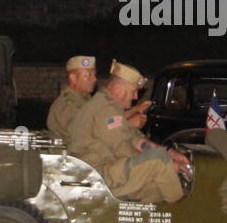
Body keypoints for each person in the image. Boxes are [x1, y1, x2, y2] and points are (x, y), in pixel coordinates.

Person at [67, 60, 190, 204]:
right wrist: (169, 162)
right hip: (100, 177)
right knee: (160, 161)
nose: (136, 97)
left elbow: (135, 140)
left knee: (155, 188)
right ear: (119, 88)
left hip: (106, 173)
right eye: (134, 91)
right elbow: (124, 150)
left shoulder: (108, 106)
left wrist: (170, 152)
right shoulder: (106, 110)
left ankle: (155, 222)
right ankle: (184, 212)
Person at [46, 55, 97, 139]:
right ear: (73, 78)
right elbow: (87, 132)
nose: (94, 78)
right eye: (88, 75)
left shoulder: (85, 100)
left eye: (94, 74)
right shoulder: (67, 105)